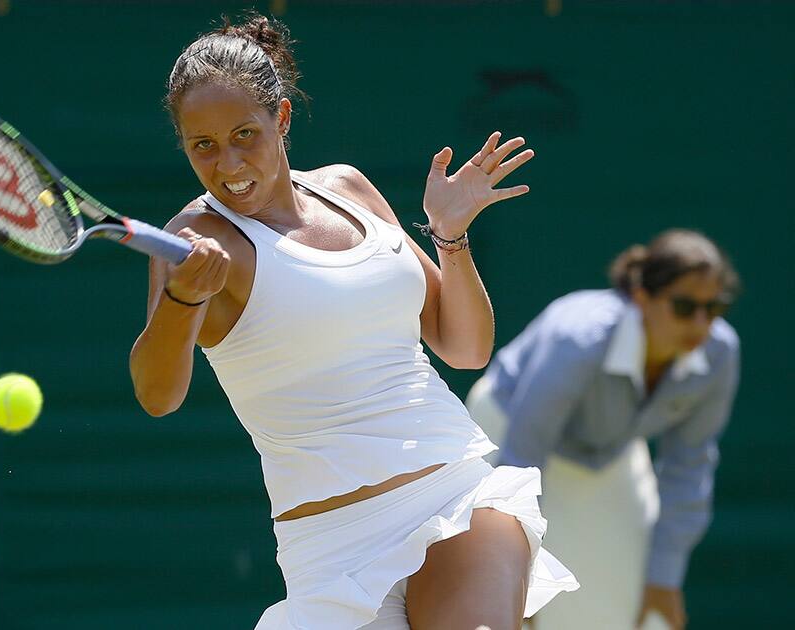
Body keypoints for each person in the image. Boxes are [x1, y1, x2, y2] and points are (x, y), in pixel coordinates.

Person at [130, 14, 577, 630]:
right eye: (203, 145)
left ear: (282, 120)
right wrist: (182, 302)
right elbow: (158, 396)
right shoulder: (193, 240)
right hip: (328, 550)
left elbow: (465, 346)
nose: (228, 162)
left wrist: (450, 236)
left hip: (454, 495)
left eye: (244, 134)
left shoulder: (349, 189)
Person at [465, 229, 740, 630]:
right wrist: (518, 571)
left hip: (609, 447)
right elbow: (522, 455)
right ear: (642, 296)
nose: (701, 323)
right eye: (684, 306)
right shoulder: (579, 339)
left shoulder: (719, 353)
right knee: (511, 593)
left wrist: (664, 579)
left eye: (714, 307)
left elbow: (690, 468)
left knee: (635, 601)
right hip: (507, 431)